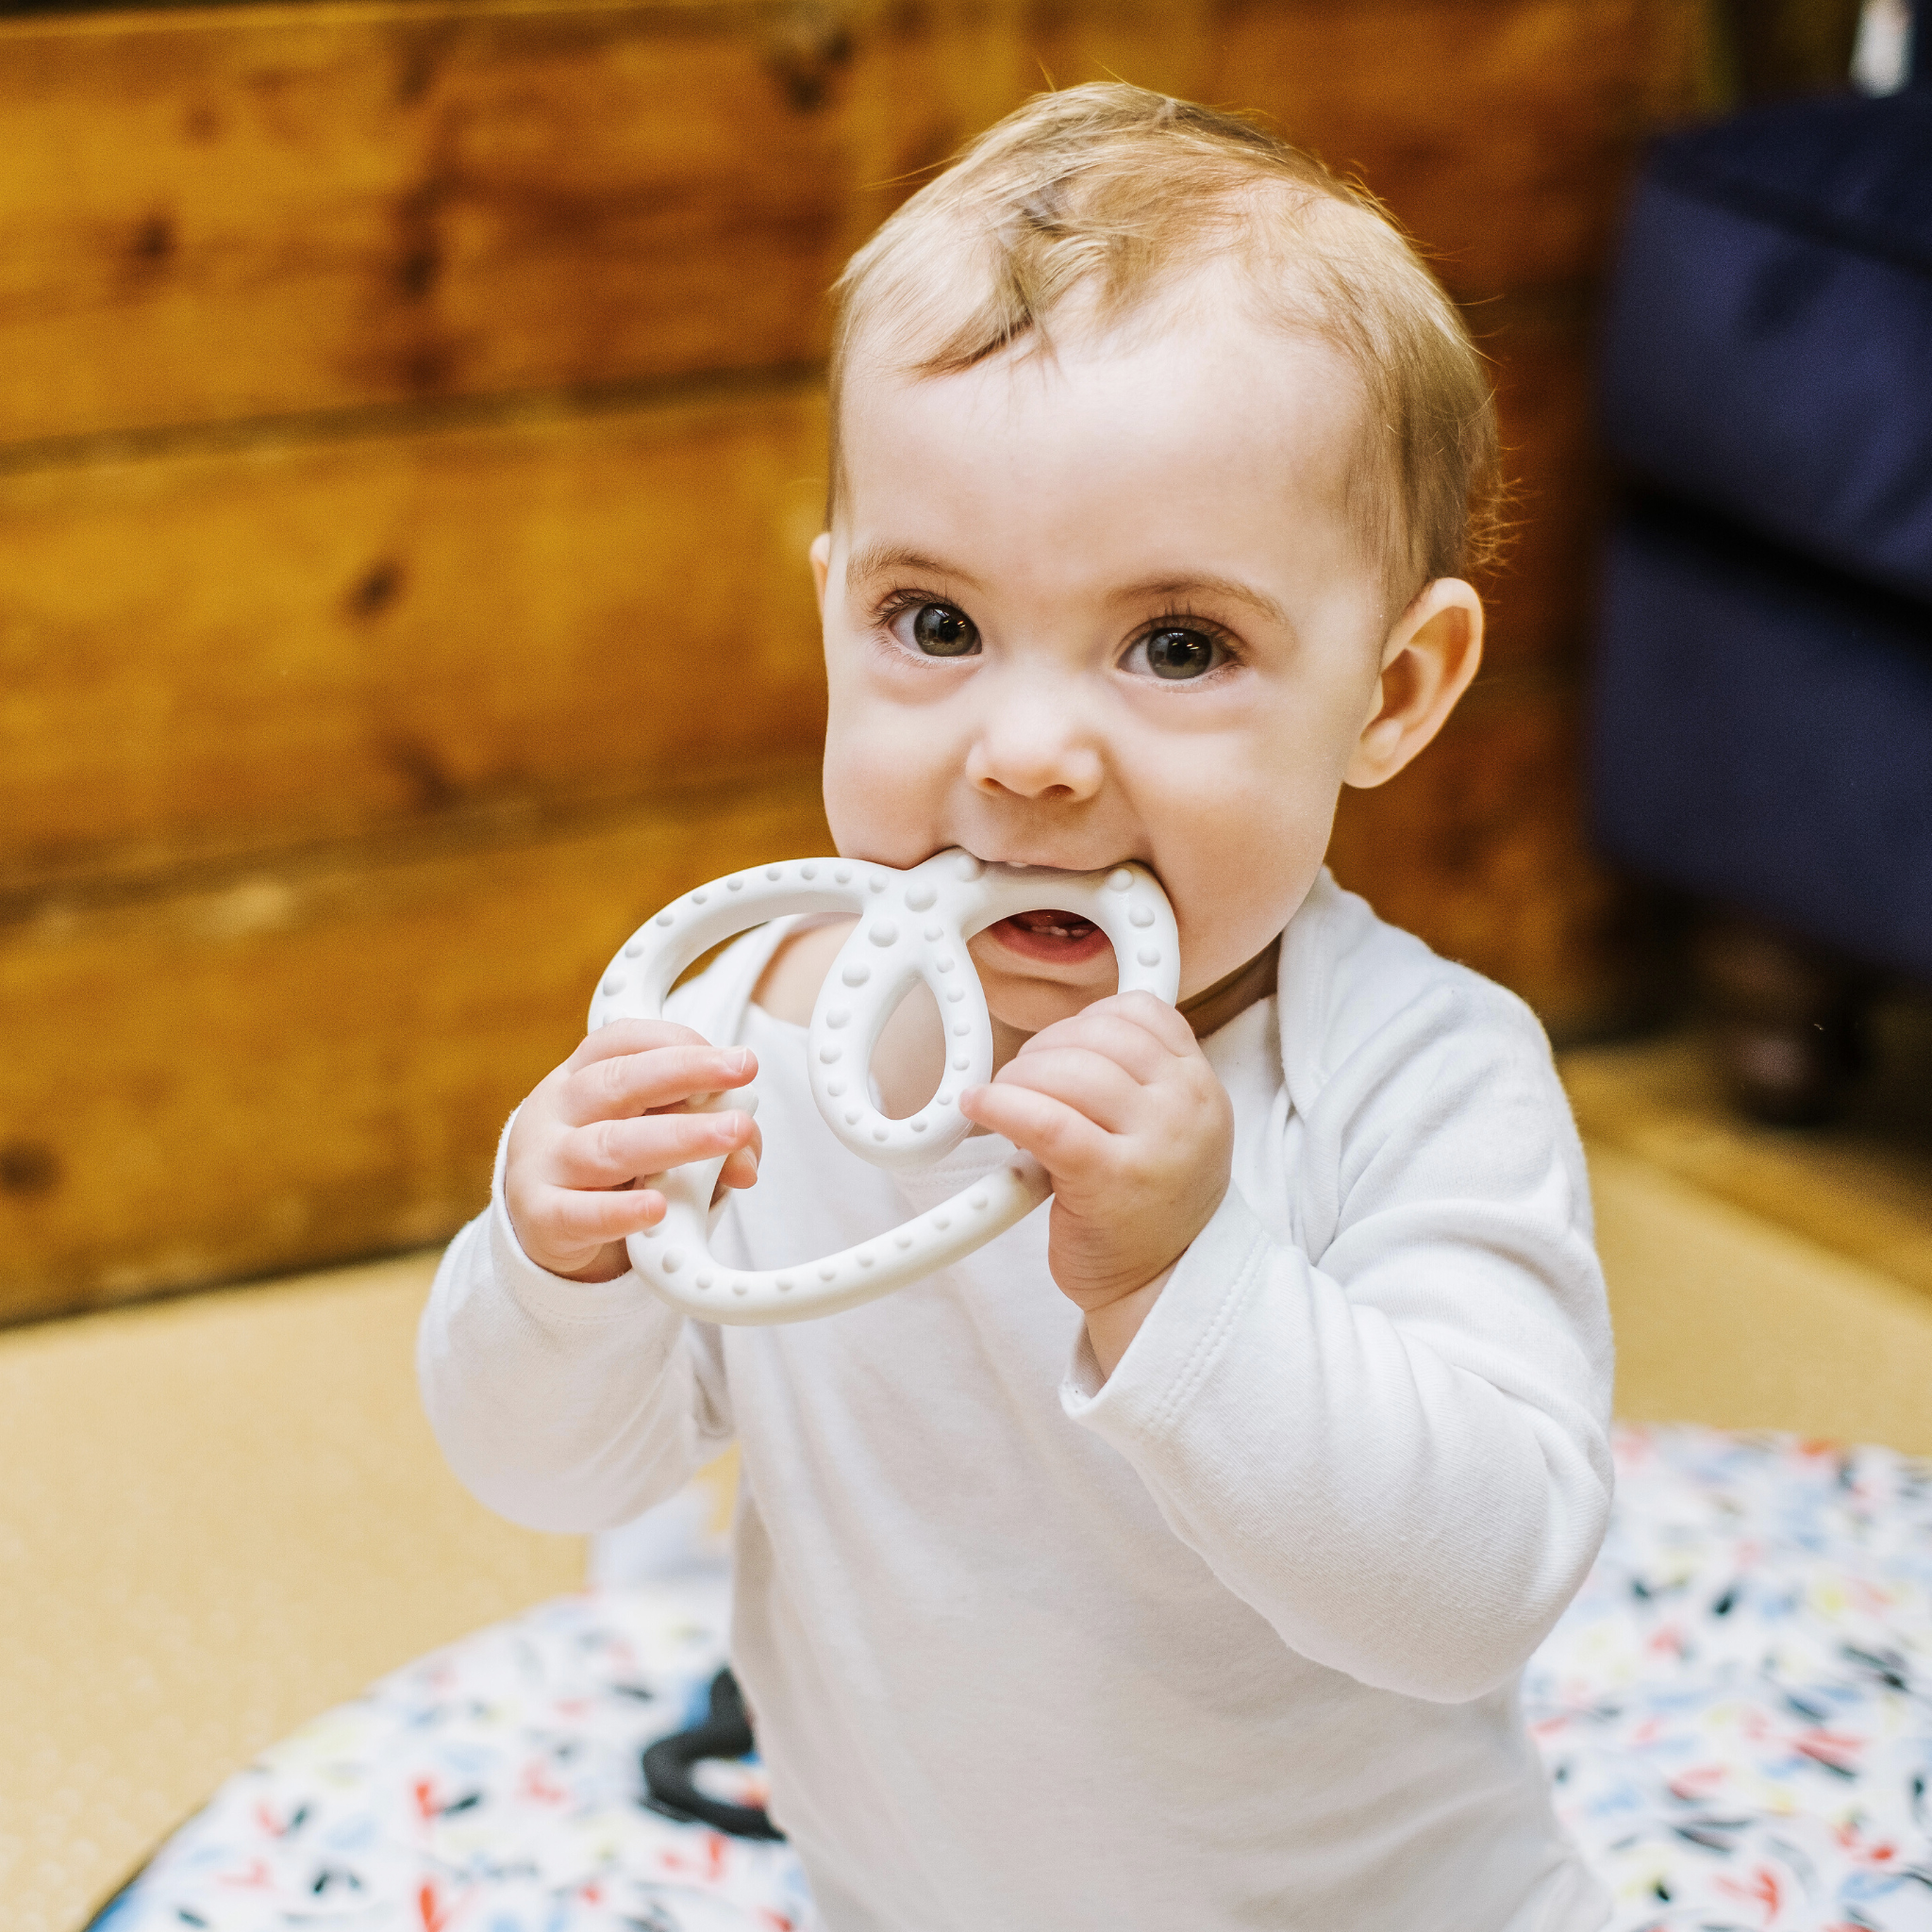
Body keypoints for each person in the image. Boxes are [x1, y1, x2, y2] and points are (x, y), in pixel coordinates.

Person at [420, 84, 1615, 1931]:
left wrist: (1181, 1283)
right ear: (833, 613)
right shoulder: (762, 1035)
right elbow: (543, 1461)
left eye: (1178, 645)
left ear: (1392, 687)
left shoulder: (1421, 1076)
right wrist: (553, 1263)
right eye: (936, 624)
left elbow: (1476, 1584)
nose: (1031, 751)